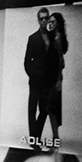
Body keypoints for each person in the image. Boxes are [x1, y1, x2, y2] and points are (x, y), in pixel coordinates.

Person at [24, 7, 53, 139]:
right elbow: (27, 61)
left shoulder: (53, 37)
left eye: (46, 18)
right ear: (38, 20)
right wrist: (33, 75)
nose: (43, 21)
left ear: (48, 19)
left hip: (48, 81)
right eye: (41, 18)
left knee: (44, 110)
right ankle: (33, 139)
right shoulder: (33, 38)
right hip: (36, 80)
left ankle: (36, 136)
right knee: (32, 109)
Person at [42, 12, 68, 142]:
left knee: (51, 108)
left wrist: (58, 80)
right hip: (51, 78)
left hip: (54, 79)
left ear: (58, 23)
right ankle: (55, 138)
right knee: (51, 108)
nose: (49, 24)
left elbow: (61, 62)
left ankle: (55, 139)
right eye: (49, 21)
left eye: (52, 22)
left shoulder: (57, 39)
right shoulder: (54, 38)